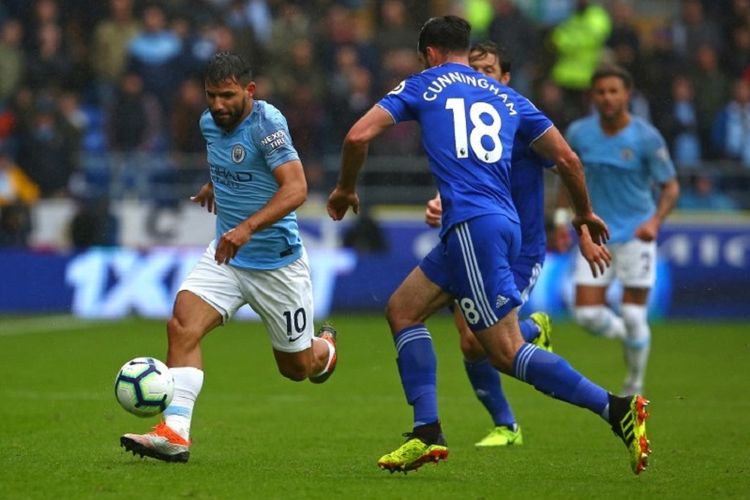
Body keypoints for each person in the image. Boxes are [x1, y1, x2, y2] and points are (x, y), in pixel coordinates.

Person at [327, 16, 650, 476]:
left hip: (473, 227)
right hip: (494, 223)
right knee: (402, 310)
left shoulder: (425, 84)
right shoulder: (509, 98)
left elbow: (357, 135)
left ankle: (617, 409)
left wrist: (343, 189)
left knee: (502, 350)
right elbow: (568, 159)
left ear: (431, 54)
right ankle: (427, 432)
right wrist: (582, 214)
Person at [120, 52, 338, 463]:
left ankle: (324, 349)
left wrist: (248, 227)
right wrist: (213, 185)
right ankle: (175, 433)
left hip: (276, 265)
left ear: (249, 91)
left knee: (297, 368)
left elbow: (296, 189)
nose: (218, 105)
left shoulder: (267, 125)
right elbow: (234, 163)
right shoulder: (208, 123)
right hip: (227, 256)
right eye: (211, 96)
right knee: (182, 323)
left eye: (227, 96)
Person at [422, 41, 559, 448]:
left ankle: (535, 329)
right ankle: (506, 426)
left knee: (474, 340)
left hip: (521, 249)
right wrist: (439, 205)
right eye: (474, 68)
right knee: (470, 339)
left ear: (505, 78)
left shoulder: (521, 118)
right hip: (472, 241)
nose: (479, 76)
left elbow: (567, 163)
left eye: (488, 70)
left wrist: (576, 221)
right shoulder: (459, 116)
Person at [566, 65, 680, 396]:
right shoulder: (578, 133)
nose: (607, 98)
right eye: (601, 92)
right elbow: (568, 179)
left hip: (634, 235)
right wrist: (563, 220)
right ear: (592, 96)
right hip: (595, 236)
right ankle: (629, 335)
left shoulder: (646, 137)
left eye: (614, 91)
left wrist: (654, 222)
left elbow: (670, 187)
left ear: (627, 94)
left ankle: (634, 385)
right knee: (586, 315)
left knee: (633, 312)